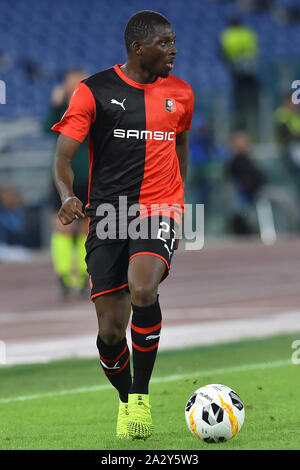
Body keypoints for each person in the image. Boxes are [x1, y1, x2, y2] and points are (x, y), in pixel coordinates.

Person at [51, 10, 194, 440]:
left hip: (159, 208)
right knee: (110, 332)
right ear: (138, 48)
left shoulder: (182, 93)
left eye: (173, 42)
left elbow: (181, 140)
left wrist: (177, 202)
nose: (174, 50)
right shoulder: (92, 91)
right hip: (108, 215)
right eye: (165, 43)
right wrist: (68, 196)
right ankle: (125, 399)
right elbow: (62, 158)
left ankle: (142, 398)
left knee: (143, 288)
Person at [43, 69, 89, 297]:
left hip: (88, 177)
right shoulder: (60, 109)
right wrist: (55, 104)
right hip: (63, 176)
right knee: (61, 226)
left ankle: (82, 275)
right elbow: (46, 128)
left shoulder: (93, 106)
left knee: (85, 227)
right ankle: (63, 274)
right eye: (74, 81)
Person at [220, 17, 260, 134]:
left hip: (236, 69)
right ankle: (253, 112)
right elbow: (255, 50)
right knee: (252, 95)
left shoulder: (227, 35)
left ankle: (240, 121)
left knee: (239, 99)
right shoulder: (248, 33)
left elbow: (223, 53)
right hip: (250, 68)